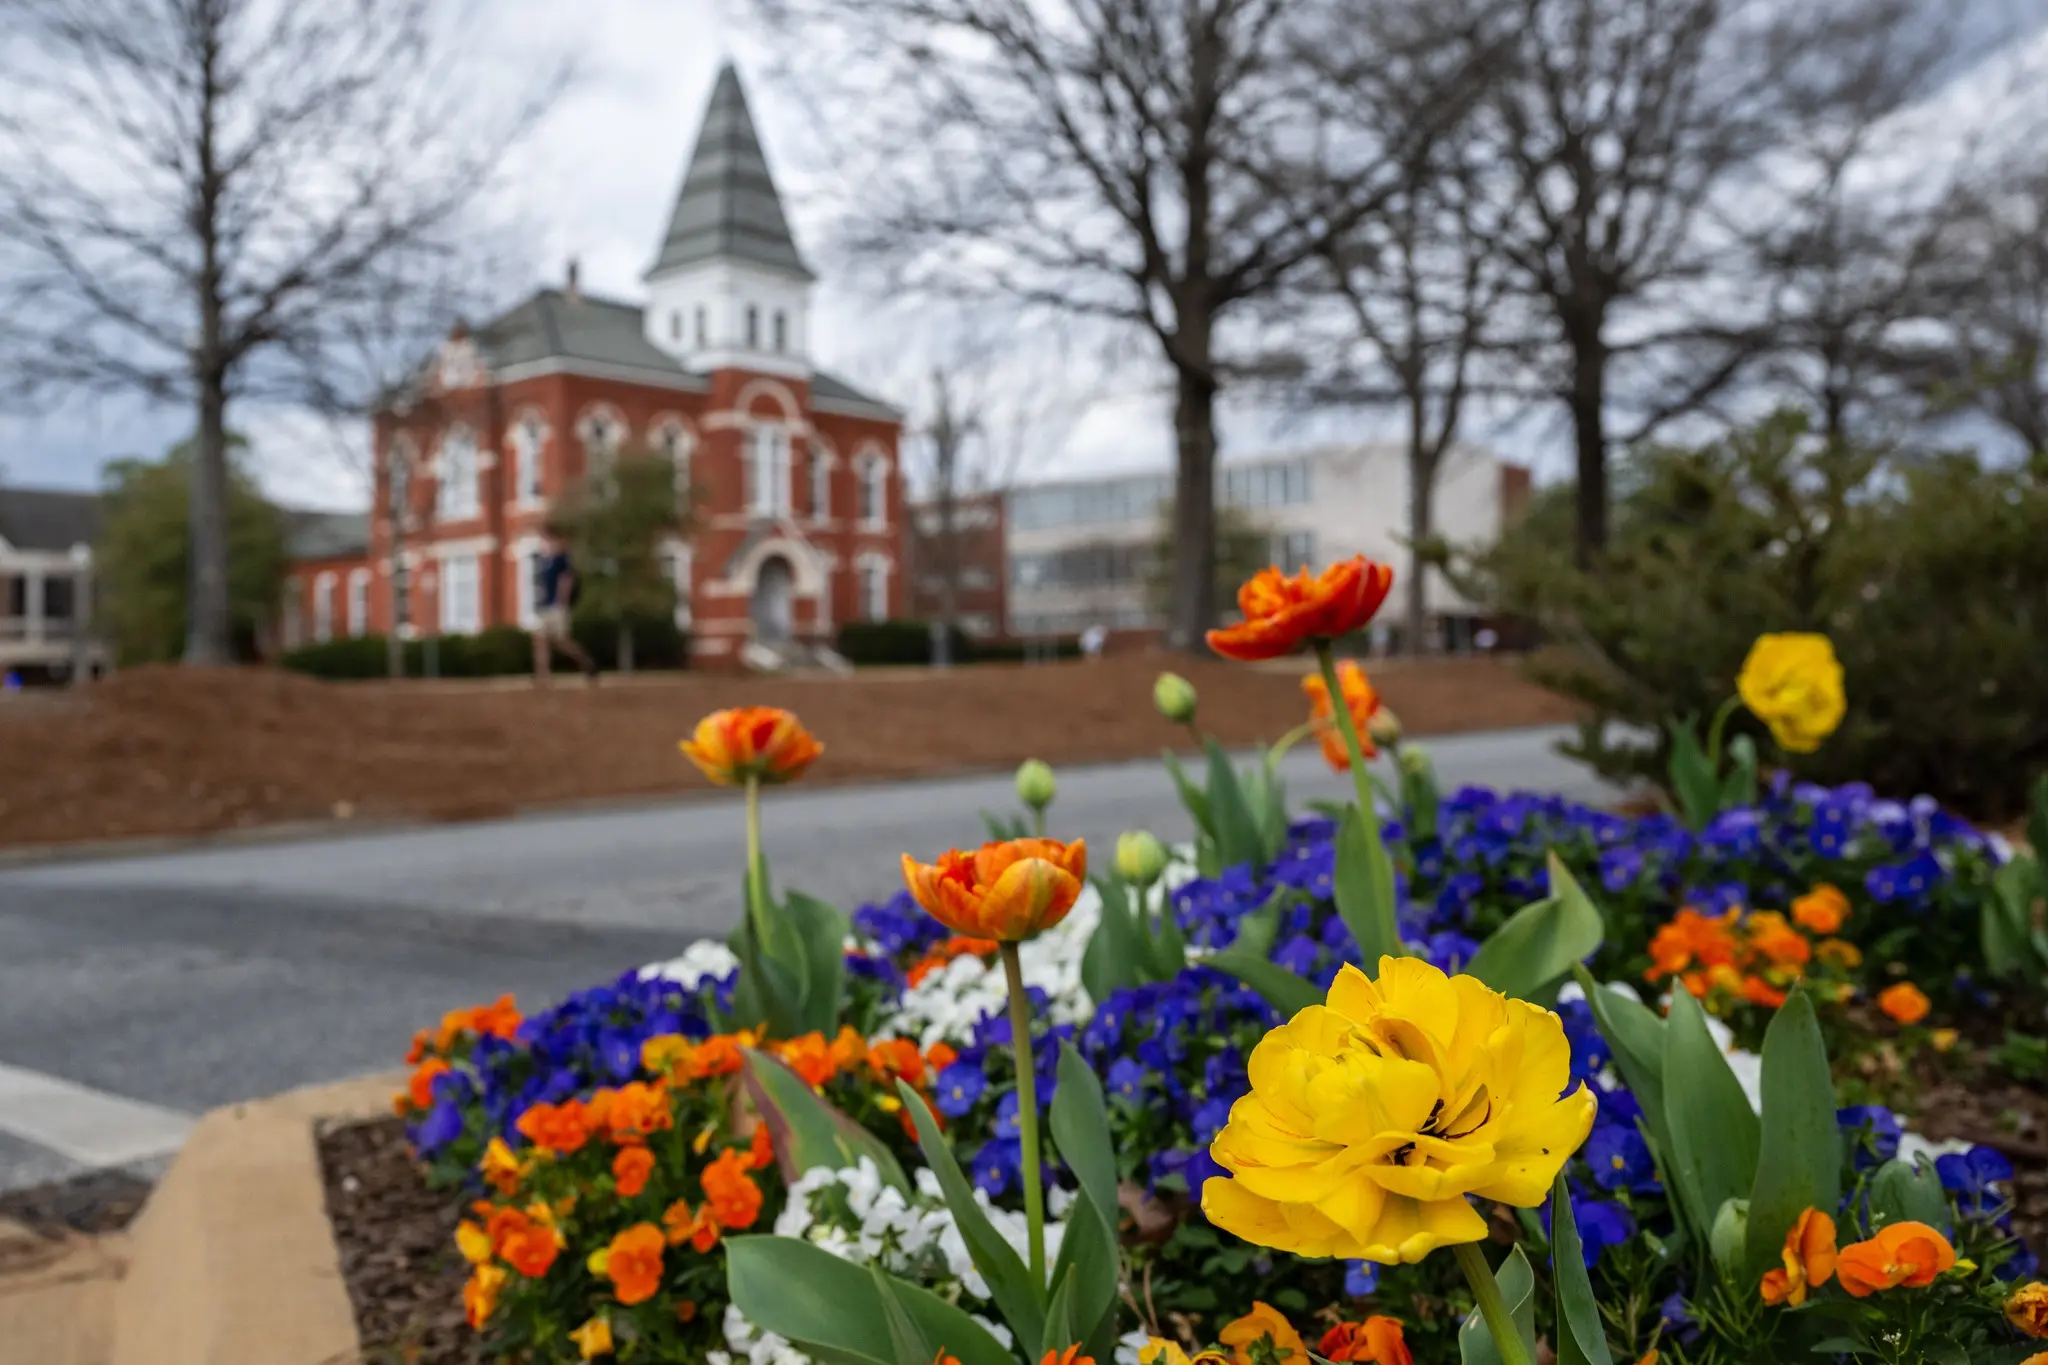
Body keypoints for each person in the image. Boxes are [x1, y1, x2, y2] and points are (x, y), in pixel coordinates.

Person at [532, 526, 599, 685]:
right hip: (544, 605)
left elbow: (566, 580)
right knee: (539, 639)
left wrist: (562, 601)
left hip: (557, 606)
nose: (545, 544)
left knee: (562, 641)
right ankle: (543, 675)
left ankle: (587, 663)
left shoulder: (562, 559)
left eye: (548, 540)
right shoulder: (544, 561)